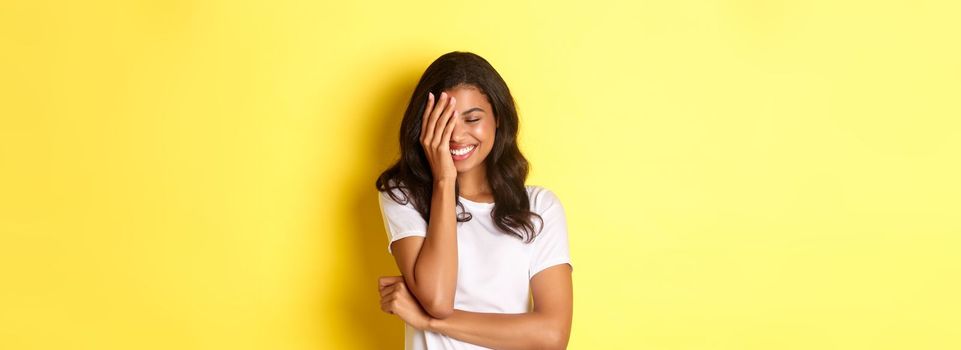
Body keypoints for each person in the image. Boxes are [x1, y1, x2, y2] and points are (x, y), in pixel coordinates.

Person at [375, 51, 573, 350]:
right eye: (443, 122)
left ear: (498, 119)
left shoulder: (539, 207)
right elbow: (438, 299)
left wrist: (427, 321)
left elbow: (552, 336)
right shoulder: (403, 194)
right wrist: (444, 179)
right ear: (423, 126)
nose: (456, 135)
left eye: (472, 119)